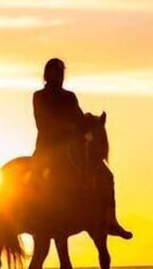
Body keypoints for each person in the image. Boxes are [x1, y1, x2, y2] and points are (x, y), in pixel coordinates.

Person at [33, 58, 132, 239]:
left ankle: (112, 220)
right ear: (48, 74)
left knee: (106, 175)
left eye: (61, 72)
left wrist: (89, 121)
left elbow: (78, 117)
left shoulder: (69, 96)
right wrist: (66, 127)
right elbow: (42, 124)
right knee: (36, 176)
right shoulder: (39, 96)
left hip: (71, 149)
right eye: (56, 72)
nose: (59, 76)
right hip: (47, 149)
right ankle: (36, 216)